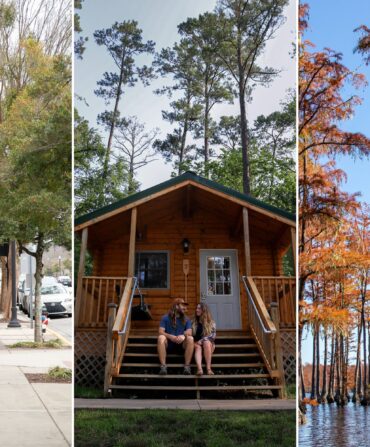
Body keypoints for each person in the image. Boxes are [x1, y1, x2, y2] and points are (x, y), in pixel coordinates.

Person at [157, 298, 194, 375]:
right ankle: (163, 366)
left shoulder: (186, 319)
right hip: (168, 345)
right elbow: (160, 331)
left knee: (190, 338)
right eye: (183, 305)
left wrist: (183, 336)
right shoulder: (165, 318)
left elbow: (189, 331)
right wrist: (170, 336)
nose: (185, 307)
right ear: (176, 306)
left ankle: (187, 367)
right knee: (161, 337)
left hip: (182, 345)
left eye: (185, 306)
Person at [192, 303, 216, 375]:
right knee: (198, 346)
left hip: (207, 343)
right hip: (195, 343)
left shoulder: (211, 322)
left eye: (199, 309)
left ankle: (208, 369)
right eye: (196, 308)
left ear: (204, 310)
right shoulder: (193, 322)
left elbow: (213, 336)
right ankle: (199, 369)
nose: (196, 310)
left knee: (206, 342)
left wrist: (202, 340)